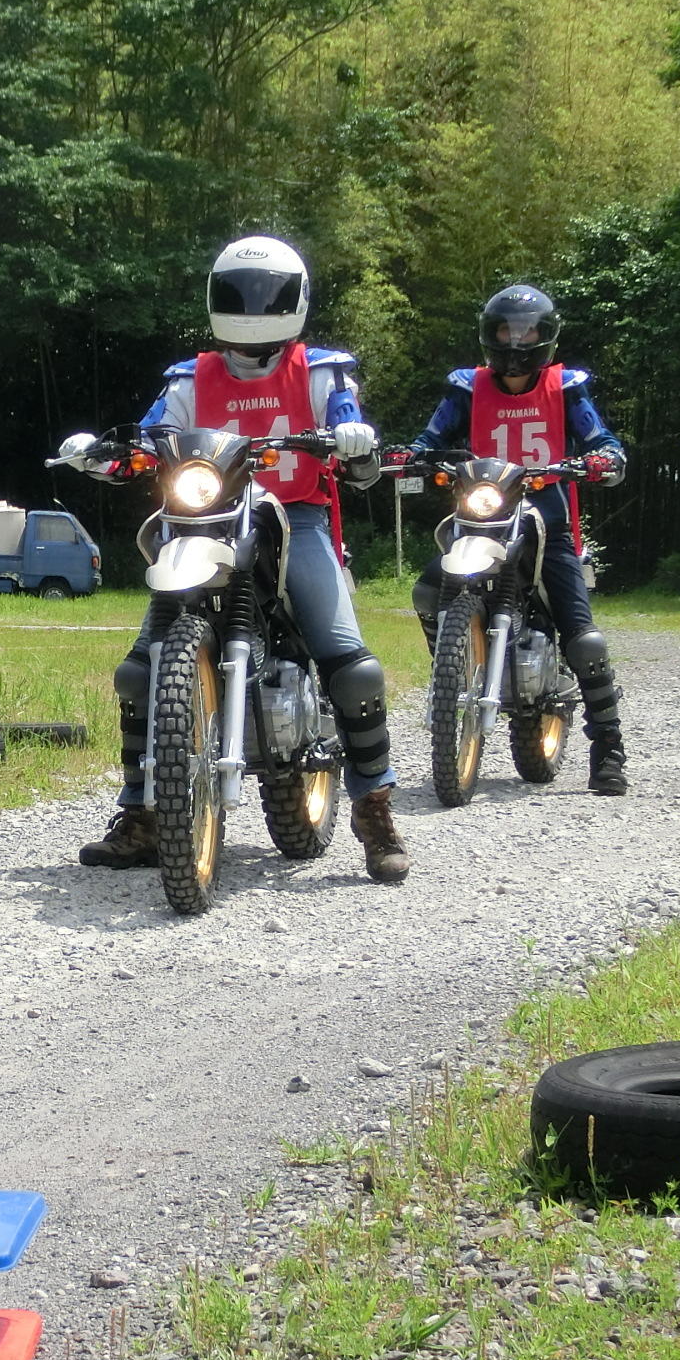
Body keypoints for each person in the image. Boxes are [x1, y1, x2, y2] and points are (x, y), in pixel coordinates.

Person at [71, 236, 409, 883]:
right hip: (206, 518)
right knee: (141, 670)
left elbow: (348, 421)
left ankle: (373, 807)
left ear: (295, 300)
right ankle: (143, 815)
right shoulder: (187, 378)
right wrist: (110, 454)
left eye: (266, 295)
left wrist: (355, 436)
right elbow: (148, 435)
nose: (253, 306)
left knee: (349, 661)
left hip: (296, 516)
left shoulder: (322, 370)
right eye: (239, 295)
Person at [405, 284, 630, 796]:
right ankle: (454, 667)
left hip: (548, 520)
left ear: (545, 337)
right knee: (426, 590)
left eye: (526, 331)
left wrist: (603, 459)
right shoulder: (467, 386)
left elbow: (600, 440)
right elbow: (430, 438)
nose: (516, 340)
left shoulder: (566, 386)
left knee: (580, 630)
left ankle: (608, 746)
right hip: (480, 519)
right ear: (490, 334)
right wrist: (415, 455)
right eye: (506, 329)